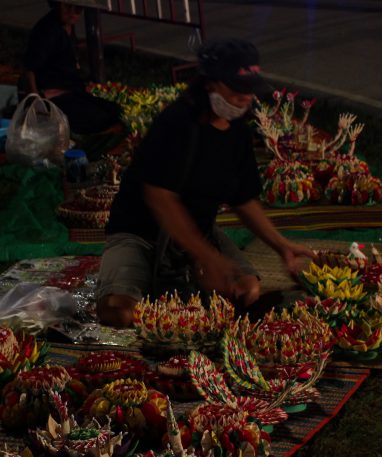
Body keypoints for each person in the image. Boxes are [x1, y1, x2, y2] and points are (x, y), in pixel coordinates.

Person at [95, 38, 317, 328]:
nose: (245, 98)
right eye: (237, 90)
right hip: (142, 233)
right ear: (210, 83)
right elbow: (160, 198)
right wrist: (208, 259)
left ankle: (183, 302)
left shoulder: (236, 130)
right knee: (119, 312)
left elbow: (243, 198)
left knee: (247, 291)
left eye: (249, 91)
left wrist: (281, 246)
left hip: (199, 232)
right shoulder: (177, 123)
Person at [22, 1, 122, 134]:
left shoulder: (67, 27)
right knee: (99, 119)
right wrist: (36, 101)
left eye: (78, 9)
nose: (73, 13)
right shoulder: (47, 31)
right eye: (68, 7)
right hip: (51, 97)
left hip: (70, 90)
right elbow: (29, 69)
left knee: (115, 110)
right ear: (57, 4)